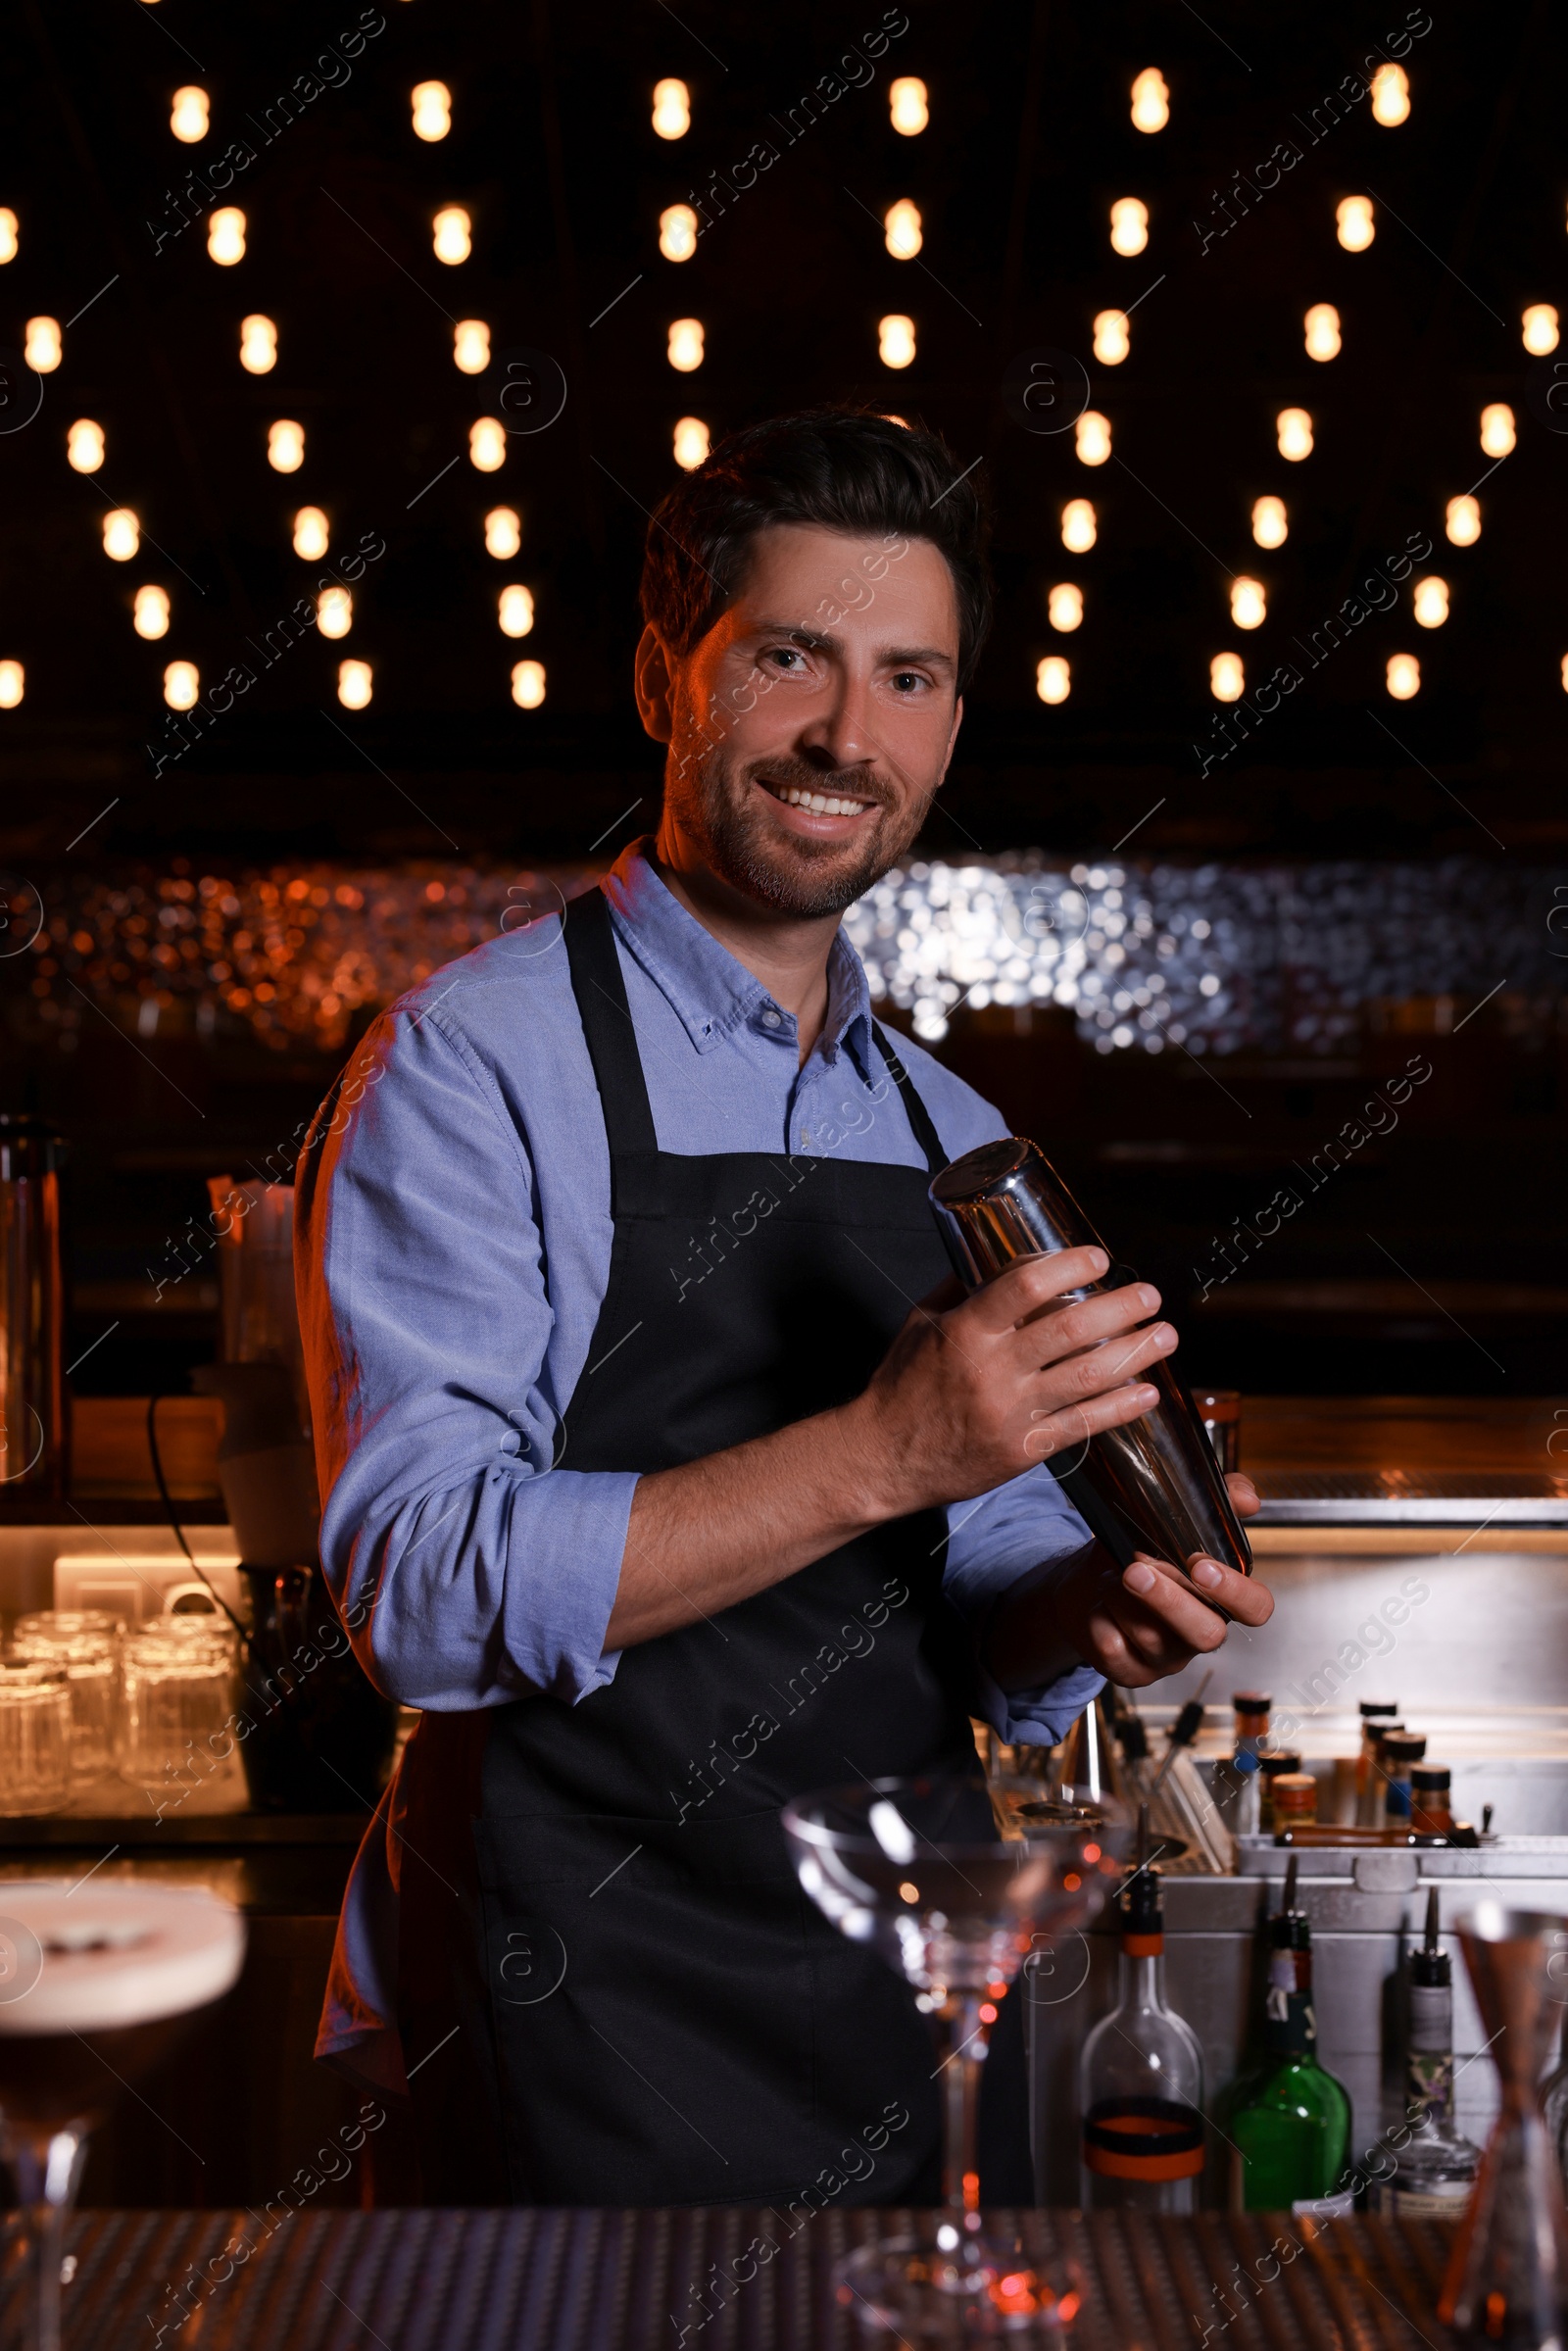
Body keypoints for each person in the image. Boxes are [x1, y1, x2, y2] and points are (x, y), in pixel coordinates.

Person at [295, 406, 1270, 2207]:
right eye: (794, 659)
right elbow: (419, 1600)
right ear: (670, 673)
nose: (847, 736)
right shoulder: (469, 1065)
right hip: (563, 1983)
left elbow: (967, 1584)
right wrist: (883, 1445)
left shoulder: (954, 1131)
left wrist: (1087, 1605)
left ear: (956, 723)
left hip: (878, 1972)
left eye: (909, 677)